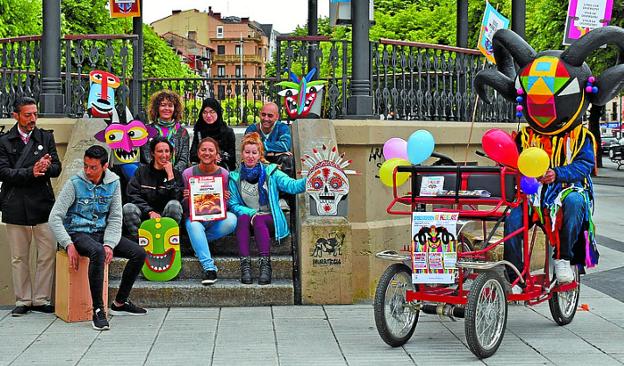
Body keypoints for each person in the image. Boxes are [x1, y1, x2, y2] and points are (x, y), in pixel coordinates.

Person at [48, 145, 147, 331]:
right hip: (79, 232)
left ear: (105, 167)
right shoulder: (74, 183)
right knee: (97, 251)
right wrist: (68, 244)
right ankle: (98, 311)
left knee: (139, 253)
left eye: (93, 167)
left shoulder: (114, 182)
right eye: (85, 166)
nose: (87, 171)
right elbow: (55, 217)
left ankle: (120, 302)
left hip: (102, 233)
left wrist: (110, 243)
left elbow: (116, 216)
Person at [504, 131, 595, 290]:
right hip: (532, 196)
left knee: (575, 202)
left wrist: (558, 173)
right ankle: (516, 276)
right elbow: (513, 162)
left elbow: (585, 164)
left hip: (567, 189)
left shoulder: (580, 136)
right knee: (512, 220)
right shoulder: (524, 136)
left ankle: (563, 259)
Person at [0, 97, 61, 317]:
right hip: (15, 204)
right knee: (19, 257)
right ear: (15, 115)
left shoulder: (46, 136)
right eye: (28, 115)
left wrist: (46, 167)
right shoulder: (4, 141)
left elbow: (57, 167)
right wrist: (31, 172)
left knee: (46, 253)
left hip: (43, 204)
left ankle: (41, 299)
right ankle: (23, 300)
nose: (33, 119)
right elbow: (4, 172)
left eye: (35, 114)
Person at [228, 132, 306, 285]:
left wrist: (310, 179)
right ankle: (246, 266)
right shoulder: (235, 177)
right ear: (242, 154)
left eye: (254, 152)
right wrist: (252, 214)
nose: (250, 156)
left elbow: (292, 185)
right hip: (248, 219)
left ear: (260, 154)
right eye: (247, 152)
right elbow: (234, 204)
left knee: (259, 220)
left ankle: (265, 266)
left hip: (269, 219)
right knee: (242, 218)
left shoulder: (271, 172)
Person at [183, 137, 237, 285]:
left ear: (216, 154)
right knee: (194, 226)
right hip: (196, 218)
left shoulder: (225, 174)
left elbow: (225, 206)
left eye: (211, 150)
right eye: (203, 150)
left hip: (215, 220)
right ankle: (209, 268)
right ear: (198, 153)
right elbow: (183, 207)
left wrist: (225, 198)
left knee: (232, 219)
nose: (207, 153)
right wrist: (186, 198)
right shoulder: (187, 174)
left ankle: (197, 243)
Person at [124, 137, 184, 239]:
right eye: (160, 151)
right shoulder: (141, 172)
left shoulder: (176, 174)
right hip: (145, 214)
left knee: (175, 205)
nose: (164, 155)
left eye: (167, 151)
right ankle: (140, 242)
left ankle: (167, 239)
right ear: (152, 153)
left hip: (165, 216)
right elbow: (132, 195)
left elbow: (177, 198)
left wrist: (170, 176)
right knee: (128, 207)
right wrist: (150, 211)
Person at [141, 90, 190, 172]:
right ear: (157, 108)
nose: (167, 108)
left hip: (175, 175)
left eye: (170, 105)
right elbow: (146, 155)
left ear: (175, 109)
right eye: (163, 105)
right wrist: (158, 170)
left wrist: (171, 171)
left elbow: (184, 159)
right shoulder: (147, 130)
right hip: (152, 173)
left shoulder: (182, 132)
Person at [244, 102, 294, 177]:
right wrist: (275, 152)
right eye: (263, 115)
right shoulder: (252, 129)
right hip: (258, 158)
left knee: (287, 159)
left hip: (276, 159)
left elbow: (285, 145)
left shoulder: (282, 128)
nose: (266, 118)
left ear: (277, 117)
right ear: (259, 114)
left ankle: (285, 186)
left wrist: (260, 146)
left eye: (270, 116)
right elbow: (247, 147)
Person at [190, 98, 236, 171]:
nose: (208, 115)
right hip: (202, 172)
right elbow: (192, 155)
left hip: (221, 172)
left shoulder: (227, 132)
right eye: (205, 112)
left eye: (212, 112)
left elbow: (232, 159)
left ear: (218, 112)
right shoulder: (199, 130)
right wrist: (210, 156)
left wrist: (220, 156)